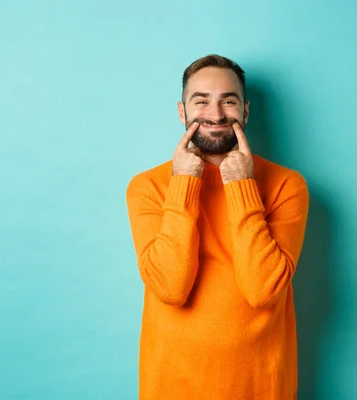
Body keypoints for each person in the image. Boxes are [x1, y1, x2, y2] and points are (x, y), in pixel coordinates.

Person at [126, 54, 310, 400]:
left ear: (245, 111)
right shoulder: (147, 186)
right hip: (171, 386)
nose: (215, 114)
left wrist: (242, 185)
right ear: (182, 112)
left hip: (261, 387)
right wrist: (183, 183)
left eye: (229, 101)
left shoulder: (287, 185)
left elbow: (263, 291)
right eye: (201, 101)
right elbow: (170, 288)